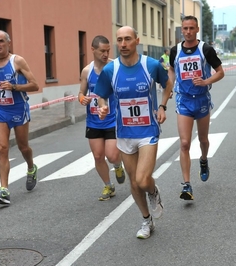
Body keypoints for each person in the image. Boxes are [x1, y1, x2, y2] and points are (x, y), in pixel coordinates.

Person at [95, 26, 173, 239]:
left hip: (148, 130)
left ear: (137, 41)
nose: (123, 44)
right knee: (133, 182)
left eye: (127, 39)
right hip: (124, 132)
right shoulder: (111, 70)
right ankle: (146, 221)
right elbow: (101, 94)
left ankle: (154, 191)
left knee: (142, 179)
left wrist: (162, 106)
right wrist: (102, 106)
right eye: (119, 40)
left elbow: (168, 84)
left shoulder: (151, 65)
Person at [168, 15, 224, 201]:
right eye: (185, 28)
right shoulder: (175, 50)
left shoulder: (205, 49)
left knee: (203, 139)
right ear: (181, 30)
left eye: (191, 28)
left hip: (201, 100)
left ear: (197, 29)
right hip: (183, 100)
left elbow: (220, 72)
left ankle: (203, 160)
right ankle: (186, 184)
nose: (188, 32)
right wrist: (169, 87)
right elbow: (171, 69)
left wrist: (206, 81)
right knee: (184, 143)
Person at [0, 30, 39, 205]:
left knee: (23, 147)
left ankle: (31, 167)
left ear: (8, 43)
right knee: (1, 148)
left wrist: (14, 87)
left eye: (1, 41)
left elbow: (35, 85)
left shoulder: (17, 61)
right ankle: (4, 190)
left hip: (18, 109)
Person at [78, 35, 125, 201]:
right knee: (98, 156)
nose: (105, 54)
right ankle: (108, 186)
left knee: (111, 155)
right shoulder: (87, 71)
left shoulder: (114, 67)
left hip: (113, 118)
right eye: (102, 51)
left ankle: (118, 165)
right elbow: (81, 92)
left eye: (107, 51)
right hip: (94, 120)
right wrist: (82, 99)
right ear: (93, 50)